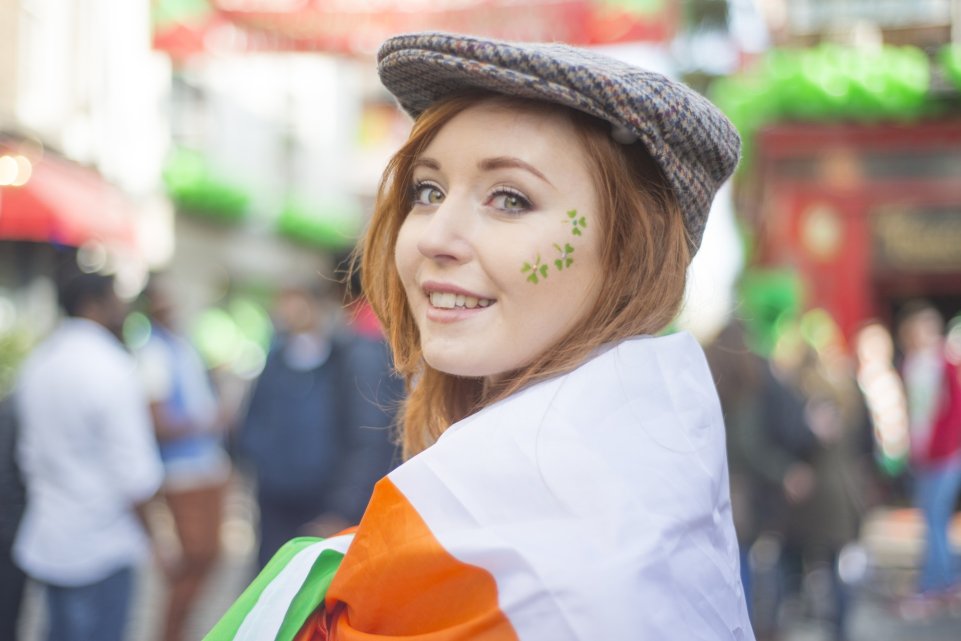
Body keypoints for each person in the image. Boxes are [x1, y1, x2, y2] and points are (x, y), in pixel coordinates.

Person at [207, 31, 751, 640]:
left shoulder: (550, 573)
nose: (434, 236)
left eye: (510, 199)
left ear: (630, 248)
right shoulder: (637, 485)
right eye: (427, 191)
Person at [13, 270, 164, 641]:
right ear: (93, 305)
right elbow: (135, 474)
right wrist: (158, 539)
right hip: (103, 544)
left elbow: (26, 452)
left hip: (51, 534)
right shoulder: (111, 366)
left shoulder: (39, 361)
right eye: (117, 299)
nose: (124, 308)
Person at [239, 280, 398, 569]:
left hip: (323, 496)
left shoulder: (349, 356)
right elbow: (254, 415)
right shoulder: (276, 358)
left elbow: (366, 435)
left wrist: (343, 505)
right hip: (275, 493)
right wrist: (259, 459)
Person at [137, 275, 231, 641]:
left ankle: (180, 629)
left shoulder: (180, 344)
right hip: (182, 472)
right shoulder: (152, 352)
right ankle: (171, 632)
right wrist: (206, 421)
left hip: (206, 465)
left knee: (209, 557)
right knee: (193, 558)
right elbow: (158, 422)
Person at [896, 301, 961, 613]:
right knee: (931, 518)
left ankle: (935, 582)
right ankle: (942, 579)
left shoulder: (944, 365)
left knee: (935, 517)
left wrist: (940, 446)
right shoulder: (912, 365)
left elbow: (953, 413)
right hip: (923, 455)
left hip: (944, 455)